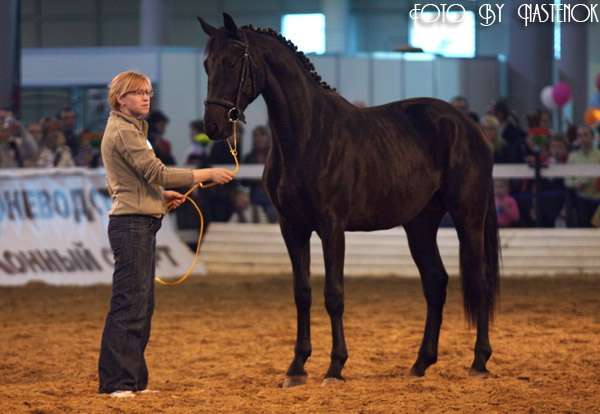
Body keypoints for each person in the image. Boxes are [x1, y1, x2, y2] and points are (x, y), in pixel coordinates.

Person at [98, 70, 234, 398]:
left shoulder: (130, 130)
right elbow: (157, 172)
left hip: (138, 220)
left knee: (141, 303)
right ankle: (117, 383)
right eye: (138, 93)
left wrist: (159, 198)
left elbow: (129, 181)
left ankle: (132, 381)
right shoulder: (125, 132)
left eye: (147, 92)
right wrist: (207, 173)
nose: (146, 97)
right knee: (131, 303)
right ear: (120, 99)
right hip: (131, 224)